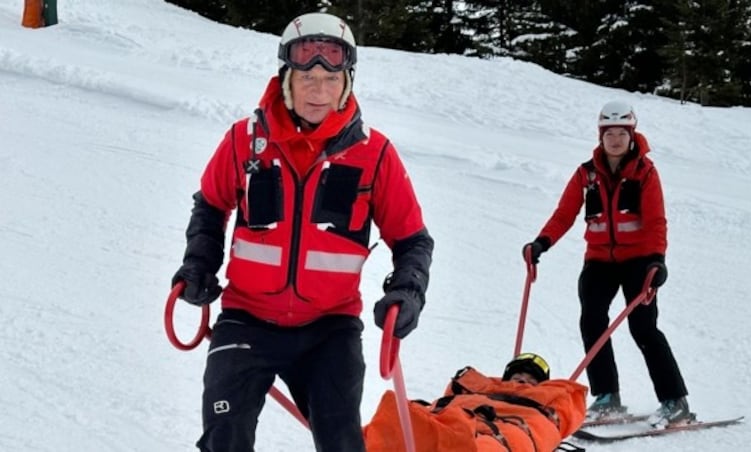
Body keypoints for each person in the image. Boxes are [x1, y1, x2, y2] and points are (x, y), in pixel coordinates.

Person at [171, 12, 434, 452]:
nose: (318, 90)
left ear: (346, 83)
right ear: (286, 79)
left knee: (342, 442)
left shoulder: (375, 154)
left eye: (330, 79)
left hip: (329, 329)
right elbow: (211, 205)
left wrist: (408, 292)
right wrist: (198, 264)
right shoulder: (244, 140)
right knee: (225, 437)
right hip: (246, 320)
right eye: (306, 76)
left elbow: (413, 241)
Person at [522, 101, 691, 428]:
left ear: (632, 134)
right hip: (599, 260)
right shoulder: (586, 174)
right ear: (600, 136)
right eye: (609, 133)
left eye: (621, 133)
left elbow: (657, 221)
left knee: (643, 328)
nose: (615, 139)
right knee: (592, 322)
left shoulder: (645, 173)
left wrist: (658, 260)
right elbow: (564, 214)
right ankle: (607, 397)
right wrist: (541, 242)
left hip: (639, 262)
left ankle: (675, 401)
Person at [363, 353, 587, 452]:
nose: (523, 381)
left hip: (500, 432)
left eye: (532, 380)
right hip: (454, 418)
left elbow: (568, 411)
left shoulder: (548, 402)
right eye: (518, 376)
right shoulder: (476, 388)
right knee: (395, 428)